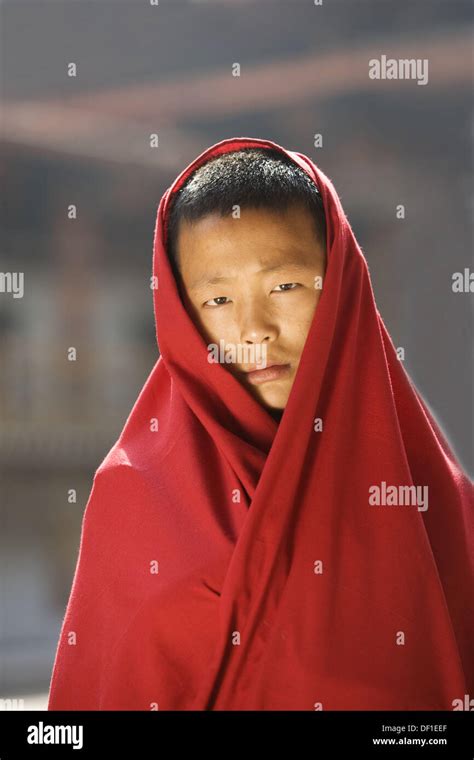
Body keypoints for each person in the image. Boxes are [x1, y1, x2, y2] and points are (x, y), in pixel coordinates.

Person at [48, 136, 473, 711]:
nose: (254, 329)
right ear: (179, 312)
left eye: (285, 286)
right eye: (217, 301)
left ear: (341, 283)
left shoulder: (433, 502)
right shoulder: (131, 492)